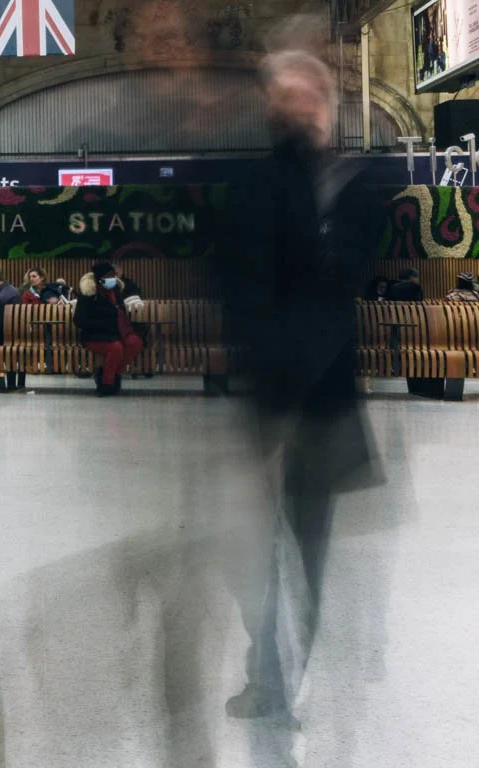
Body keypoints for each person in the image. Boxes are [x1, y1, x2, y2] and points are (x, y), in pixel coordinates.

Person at [215, 48, 378, 725]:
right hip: (275, 404)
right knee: (262, 556)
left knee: (306, 551)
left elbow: (335, 295)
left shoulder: (353, 188)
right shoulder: (259, 185)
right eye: (286, 95)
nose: (298, 104)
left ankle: (285, 682)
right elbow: (239, 289)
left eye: (308, 94)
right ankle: (270, 673)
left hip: (321, 407)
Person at [74, 260, 144, 396]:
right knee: (116, 348)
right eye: (108, 276)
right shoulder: (88, 294)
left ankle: (115, 375)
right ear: (99, 279)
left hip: (118, 331)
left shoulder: (115, 291)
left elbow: (121, 312)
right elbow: (79, 320)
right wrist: (103, 325)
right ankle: (106, 384)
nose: (112, 279)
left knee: (135, 343)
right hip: (95, 334)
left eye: (113, 275)